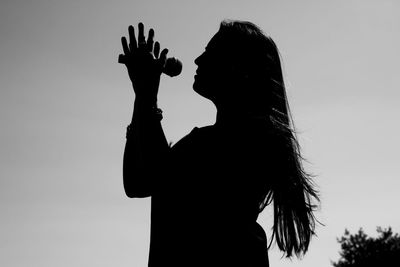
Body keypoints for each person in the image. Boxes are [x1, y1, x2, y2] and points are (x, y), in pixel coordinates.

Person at [119, 20, 320, 267]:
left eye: (210, 53)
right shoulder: (211, 141)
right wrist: (141, 97)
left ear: (239, 68)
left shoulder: (245, 143)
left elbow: (159, 175)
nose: (198, 60)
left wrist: (146, 93)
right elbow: (137, 182)